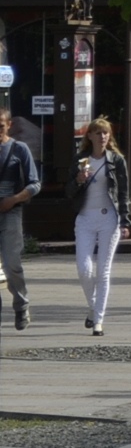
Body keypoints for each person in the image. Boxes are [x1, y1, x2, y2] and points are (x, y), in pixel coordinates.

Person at [71, 117, 128, 336]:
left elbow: (123, 193)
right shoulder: (81, 160)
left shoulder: (116, 160)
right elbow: (68, 191)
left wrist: (125, 221)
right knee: (84, 269)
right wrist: (78, 179)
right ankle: (93, 307)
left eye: (105, 133)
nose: (102, 137)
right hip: (85, 217)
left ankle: (98, 321)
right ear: (90, 136)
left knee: (103, 272)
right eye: (98, 133)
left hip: (109, 219)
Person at [0, 117, 40, 328]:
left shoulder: (18, 149)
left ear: (9, 125)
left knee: (11, 264)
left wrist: (14, 199)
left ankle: (21, 305)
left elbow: (35, 183)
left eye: (0, 125)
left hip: (11, 212)